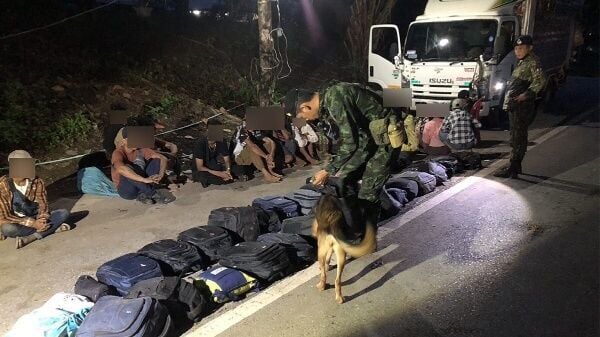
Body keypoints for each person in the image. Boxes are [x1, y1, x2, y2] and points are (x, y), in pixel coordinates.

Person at [284, 81, 394, 223]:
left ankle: (366, 237)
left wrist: (327, 170)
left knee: (368, 193)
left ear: (305, 107)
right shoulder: (328, 98)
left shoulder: (335, 99)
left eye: (302, 117)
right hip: (368, 140)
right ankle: (353, 221)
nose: (305, 120)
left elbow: (350, 143)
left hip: (384, 141)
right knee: (345, 179)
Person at [495, 35, 546, 178]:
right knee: (516, 136)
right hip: (515, 105)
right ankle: (515, 167)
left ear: (530, 48)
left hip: (521, 106)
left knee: (518, 136)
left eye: (521, 48)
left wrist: (526, 95)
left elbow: (540, 80)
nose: (518, 51)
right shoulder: (522, 62)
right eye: (516, 48)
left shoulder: (532, 61)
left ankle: (513, 167)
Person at [0, 150, 72, 249]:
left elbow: (43, 204)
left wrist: (42, 219)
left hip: (35, 217)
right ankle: (53, 229)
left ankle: (31, 238)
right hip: (18, 222)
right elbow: (5, 216)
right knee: (7, 229)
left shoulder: (37, 181)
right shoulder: (3, 185)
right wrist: (33, 224)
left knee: (64, 213)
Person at [111, 127, 176, 204]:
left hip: (143, 182)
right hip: (128, 190)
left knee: (157, 161)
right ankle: (153, 194)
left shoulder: (141, 148)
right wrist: (145, 180)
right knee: (127, 168)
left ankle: (143, 194)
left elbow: (163, 158)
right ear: (124, 141)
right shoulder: (118, 152)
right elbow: (121, 169)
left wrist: (161, 175)